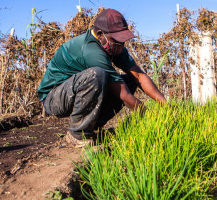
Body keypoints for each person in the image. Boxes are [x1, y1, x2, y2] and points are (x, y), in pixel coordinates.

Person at [37, 9, 167, 146]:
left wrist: (166, 107)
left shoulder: (114, 46)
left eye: (123, 41)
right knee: (97, 75)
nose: (121, 45)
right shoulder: (90, 50)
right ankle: (77, 134)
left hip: (73, 90)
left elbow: (139, 75)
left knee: (128, 81)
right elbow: (122, 94)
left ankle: (92, 126)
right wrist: (152, 117)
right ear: (100, 34)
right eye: (116, 40)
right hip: (53, 97)